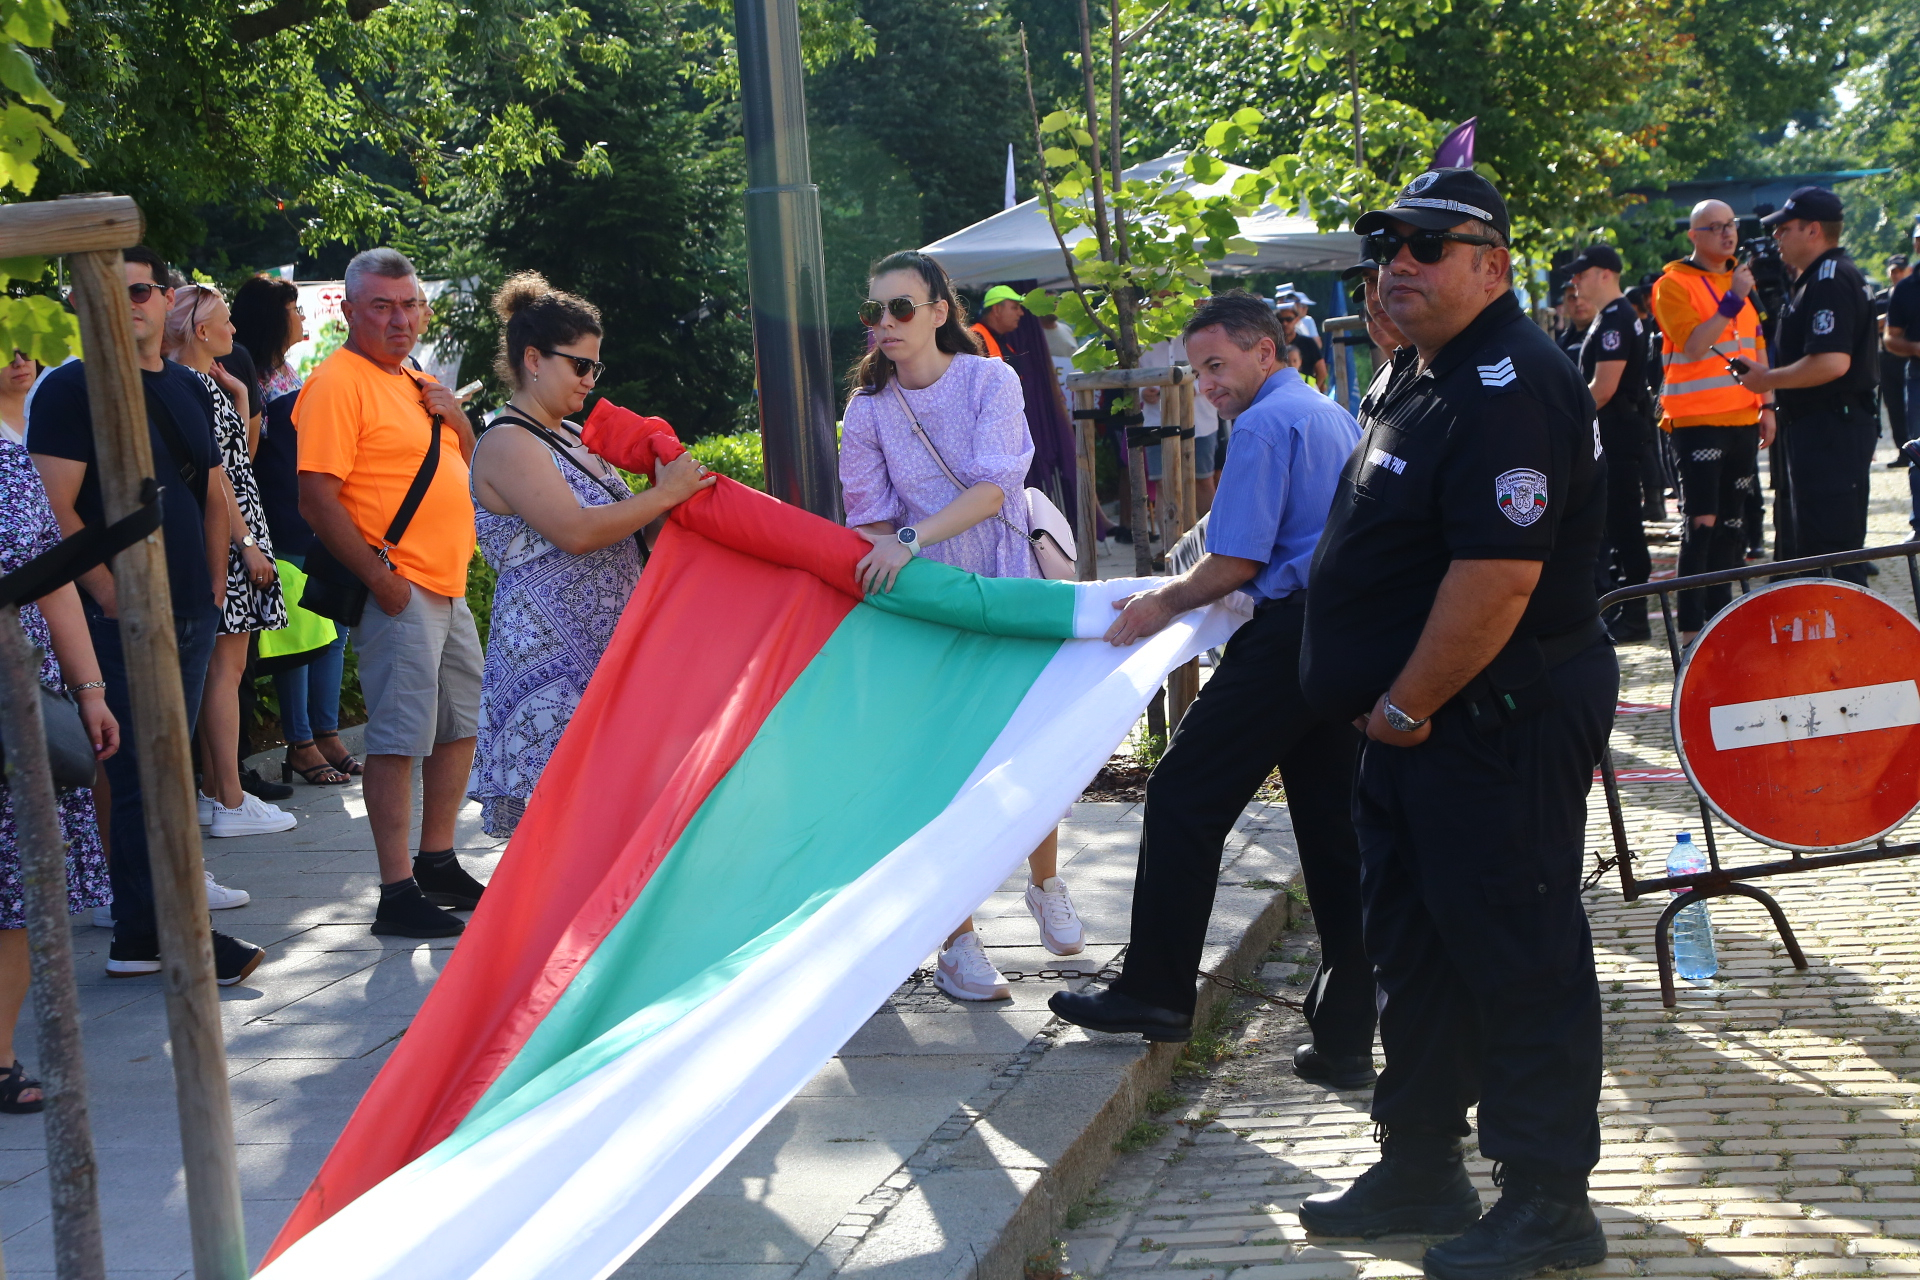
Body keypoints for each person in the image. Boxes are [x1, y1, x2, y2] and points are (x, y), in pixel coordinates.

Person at [1294, 169, 1613, 1280]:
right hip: (1418, 728)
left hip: (1486, 718)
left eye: (1431, 244)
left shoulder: (1508, 383)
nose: (1402, 262)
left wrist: (1402, 702)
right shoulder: (1416, 371)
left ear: (1497, 264)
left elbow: (1497, 579)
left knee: (1517, 953)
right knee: (1416, 950)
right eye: (1390, 241)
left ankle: (1548, 1196)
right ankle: (1422, 1159)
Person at [1047, 292, 1374, 1088]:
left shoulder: (1266, 422)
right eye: (1198, 372)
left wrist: (1160, 602)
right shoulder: (1327, 412)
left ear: (1267, 350)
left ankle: (1156, 992)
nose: (1208, 386)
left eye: (1217, 366)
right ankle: (1346, 1029)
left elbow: (1236, 562)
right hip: (1334, 635)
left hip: (1288, 636)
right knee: (1332, 834)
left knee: (1182, 796)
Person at [839, 249, 1085, 1000]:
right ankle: (956, 937)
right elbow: (870, 521)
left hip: (1004, 579)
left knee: (1030, 743)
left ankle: (1045, 883)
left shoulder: (990, 379)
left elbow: (990, 491)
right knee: (940, 768)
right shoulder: (867, 410)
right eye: (873, 312)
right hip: (929, 600)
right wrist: (902, 555)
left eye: (901, 309)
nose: (885, 324)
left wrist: (910, 540)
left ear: (940, 311)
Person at [27, 246, 268, 985]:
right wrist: (105, 591)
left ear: (167, 300)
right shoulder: (72, 388)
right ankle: (163, 931)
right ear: (80, 305)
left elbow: (215, 492)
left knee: (169, 768)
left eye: (141, 290)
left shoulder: (192, 389)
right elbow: (53, 506)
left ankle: (143, 934)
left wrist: (211, 588)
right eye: (110, 292)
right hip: (120, 616)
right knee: (141, 776)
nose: (129, 303)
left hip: (192, 606)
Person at [467, 274, 713, 836]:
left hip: (600, 654)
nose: (590, 378)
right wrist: (665, 494)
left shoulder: (570, 435)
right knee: (559, 834)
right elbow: (576, 531)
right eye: (580, 365)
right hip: (550, 665)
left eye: (595, 366)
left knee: (605, 825)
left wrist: (672, 507)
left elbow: (626, 532)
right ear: (533, 359)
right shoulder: (507, 440)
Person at [296, 247, 485, 939]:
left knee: (458, 728)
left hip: (446, 584)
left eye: (408, 304)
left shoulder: (415, 379)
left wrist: (453, 414)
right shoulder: (337, 382)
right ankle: (396, 890)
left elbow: (469, 459)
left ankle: (436, 862)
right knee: (400, 740)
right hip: (400, 588)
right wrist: (383, 580)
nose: (398, 318)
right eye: (381, 305)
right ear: (349, 310)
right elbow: (316, 498)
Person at [0, 422, 119, 1111]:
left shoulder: (12, 468)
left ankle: (2, 1055)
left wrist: (90, 689)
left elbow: (55, 583)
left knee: (14, 890)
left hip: (20, 706)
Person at [165, 284, 294, 843]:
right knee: (226, 670)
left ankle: (218, 792)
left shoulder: (193, 385)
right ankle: (230, 798)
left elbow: (233, 457)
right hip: (232, 533)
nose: (234, 330)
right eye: (224, 322)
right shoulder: (195, 387)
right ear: (200, 331)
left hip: (228, 530)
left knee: (218, 669)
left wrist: (241, 397)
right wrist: (245, 541)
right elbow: (222, 475)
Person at [1736, 187, 1878, 583]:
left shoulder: (1829, 280)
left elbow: (1832, 362)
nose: (1777, 238)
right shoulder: (1814, 279)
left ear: (1814, 230)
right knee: (1818, 553)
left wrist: (1768, 380)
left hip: (1833, 426)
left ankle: (1849, 642)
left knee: (1835, 557)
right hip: (1821, 427)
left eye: (1785, 229)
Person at [1651, 200, 1774, 642]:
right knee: (1701, 522)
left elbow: (1758, 347)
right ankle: (1690, 629)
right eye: (1716, 227)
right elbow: (1695, 347)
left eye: (1732, 226)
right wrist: (1732, 300)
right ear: (1694, 235)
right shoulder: (1674, 285)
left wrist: (1769, 406)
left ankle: (1727, 620)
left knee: (1734, 524)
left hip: (1742, 417)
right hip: (1695, 421)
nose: (1728, 234)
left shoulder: (1739, 280)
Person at [1568, 244, 1654, 643]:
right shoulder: (1613, 317)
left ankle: (1634, 611)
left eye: (1581, 275)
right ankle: (1627, 606)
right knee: (1618, 525)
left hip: (1618, 433)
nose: (1575, 283)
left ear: (1604, 274)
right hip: (1618, 431)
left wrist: (1560, 412)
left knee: (1623, 524)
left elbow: (1602, 389)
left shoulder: (1616, 319)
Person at [974, 284, 1080, 518]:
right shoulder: (975, 338)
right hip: (991, 442)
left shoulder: (1001, 340)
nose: (1021, 313)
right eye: (1015, 307)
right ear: (997, 310)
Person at [1884, 225, 1920, 533]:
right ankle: (1919, 521)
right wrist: (1915, 348)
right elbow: (1890, 339)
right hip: (1918, 376)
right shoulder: (1906, 289)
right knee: (1918, 451)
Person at [233, 275, 307, 404]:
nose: (303, 317)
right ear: (275, 319)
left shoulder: (283, 366)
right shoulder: (253, 379)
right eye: (296, 309)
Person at [1878, 254, 1911, 470]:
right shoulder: (1881, 298)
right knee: (1894, 407)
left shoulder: (1912, 293)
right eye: (1893, 271)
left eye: (1900, 270)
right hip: (1887, 359)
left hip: (1908, 358)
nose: (1896, 274)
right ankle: (1903, 451)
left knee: (1912, 406)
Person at [1280, 306, 1328, 391]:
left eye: (1289, 319)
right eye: (1280, 320)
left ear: (1297, 320)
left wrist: (1312, 391)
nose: (1285, 323)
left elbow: (1322, 372)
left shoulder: (1308, 343)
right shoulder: (1274, 345)